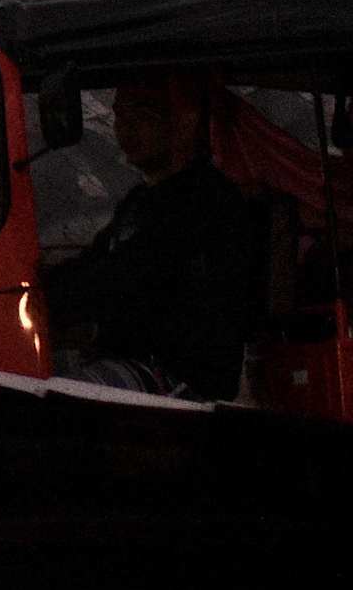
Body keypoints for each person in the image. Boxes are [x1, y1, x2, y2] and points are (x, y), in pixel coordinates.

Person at [46, 73, 270, 399]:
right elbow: (94, 262)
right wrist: (32, 286)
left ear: (185, 124)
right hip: (126, 360)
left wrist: (52, 301)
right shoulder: (139, 201)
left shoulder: (205, 201)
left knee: (66, 398)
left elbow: (127, 271)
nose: (125, 127)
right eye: (121, 114)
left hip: (182, 374)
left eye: (143, 115)